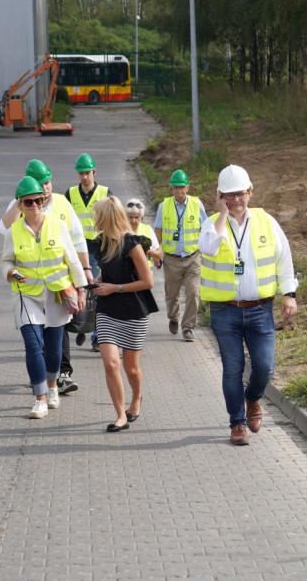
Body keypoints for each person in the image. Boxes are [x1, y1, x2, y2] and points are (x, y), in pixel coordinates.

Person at [198, 164, 298, 446]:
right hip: (224, 310)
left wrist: (289, 294)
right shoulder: (213, 222)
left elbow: (284, 260)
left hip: (260, 309)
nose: (236, 200)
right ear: (220, 196)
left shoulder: (267, 222)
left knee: (265, 367)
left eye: (240, 194)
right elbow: (207, 248)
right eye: (228, 195)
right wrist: (221, 215)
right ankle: (237, 423)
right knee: (233, 368)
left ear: (250, 193)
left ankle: (253, 399)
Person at [0, 159, 92, 395]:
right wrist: (18, 203)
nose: (44, 190)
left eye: (47, 183)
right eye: (30, 198)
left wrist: (84, 276)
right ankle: (41, 390)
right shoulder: (18, 211)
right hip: (28, 292)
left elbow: (77, 242)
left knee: (55, 339)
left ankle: (60, 376)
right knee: (35, 343)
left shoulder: (61, 206)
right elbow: (4, 232)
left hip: (58, 287)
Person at [87, 196, 156, 432]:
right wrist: (98, 281)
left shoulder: (132, 243)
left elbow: (148, 282)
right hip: (107, 310)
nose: (95, 219)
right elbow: (107, 272)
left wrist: (115, 287)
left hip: (134, 311)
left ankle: (136, 399)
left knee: (131, 368)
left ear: (107, 217)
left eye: (98, 215)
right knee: (111, 364)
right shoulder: (101, 242)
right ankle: (120, 415)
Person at [153, 170, 207, 342]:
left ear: (188, 188)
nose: (179, 191)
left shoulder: (197, 205)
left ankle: (188, 328)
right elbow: (158, 231)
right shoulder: (164, 206)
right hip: (171, 258)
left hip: (193, 257)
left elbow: (206, 229)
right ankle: (173, 317)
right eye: (176, 188)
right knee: (172, 294)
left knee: (193, 292)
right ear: (171, 188)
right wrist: (156, 253)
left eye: (182, 187)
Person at [67, 153, 112, 351]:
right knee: (80, 290)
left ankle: (96, 335)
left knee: (95, 291)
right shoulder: (70, 194)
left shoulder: (104, 192)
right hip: (76, 251)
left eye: (87, 173)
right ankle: (81, 326)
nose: (84, 177)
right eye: (81, 173)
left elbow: (112, 220)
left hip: (97, 249)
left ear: (94, 171)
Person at [125, 199, 162, 269]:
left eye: (136, 217)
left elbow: (159, 254)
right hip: (124, 273)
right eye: (130, 217)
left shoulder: (148, 229)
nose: (133, 220)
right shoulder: (120, 230)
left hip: (144, 273)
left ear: (141, 218)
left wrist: (149, 252)